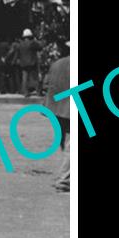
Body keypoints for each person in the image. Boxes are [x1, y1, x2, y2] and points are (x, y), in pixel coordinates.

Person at [45, 42, 71, 192]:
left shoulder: (57, 64)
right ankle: (63, 180)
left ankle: (65, 174)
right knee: (71, 145)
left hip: (56, 109)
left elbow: (47, 85)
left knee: (64, 142)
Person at [15, 28, 43, 97]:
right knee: (35, 78)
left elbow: (18, 54)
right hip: (32, 62)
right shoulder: (32, 43)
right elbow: (40, 47)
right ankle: (38, 92)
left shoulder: (20, 44)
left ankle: (25, 92)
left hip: (23, 63)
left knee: (25, 77)